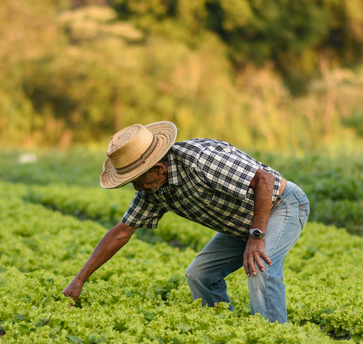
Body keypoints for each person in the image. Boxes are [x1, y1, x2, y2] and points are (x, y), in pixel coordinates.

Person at [62, 121, 309, 323]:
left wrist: (256, 237)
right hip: (240, 222)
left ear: (158, 168)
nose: (136, 188)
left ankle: (274, 338)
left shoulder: (200, 160)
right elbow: (121, 232)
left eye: (137, 179)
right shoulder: (153, 190)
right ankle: (224, 328)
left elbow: (265, 180)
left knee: (259, 267)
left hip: (281, 204)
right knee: (200, 275)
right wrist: (79, 280)